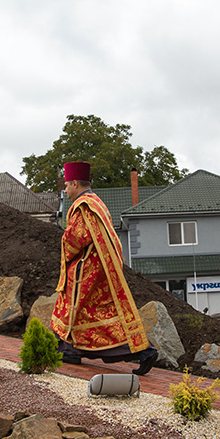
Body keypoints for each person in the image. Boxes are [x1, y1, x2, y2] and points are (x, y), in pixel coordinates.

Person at [50, 161, 158, 375]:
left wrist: (63, 241)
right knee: (80, 317)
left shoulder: (83, 206)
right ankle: (69, 351)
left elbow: (74, 240)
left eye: (67, 185)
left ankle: (143, 350)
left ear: (74, 183)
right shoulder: (97, 202)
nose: (65, 190)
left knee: (93, 320)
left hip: (86, 273)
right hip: (99, 270)